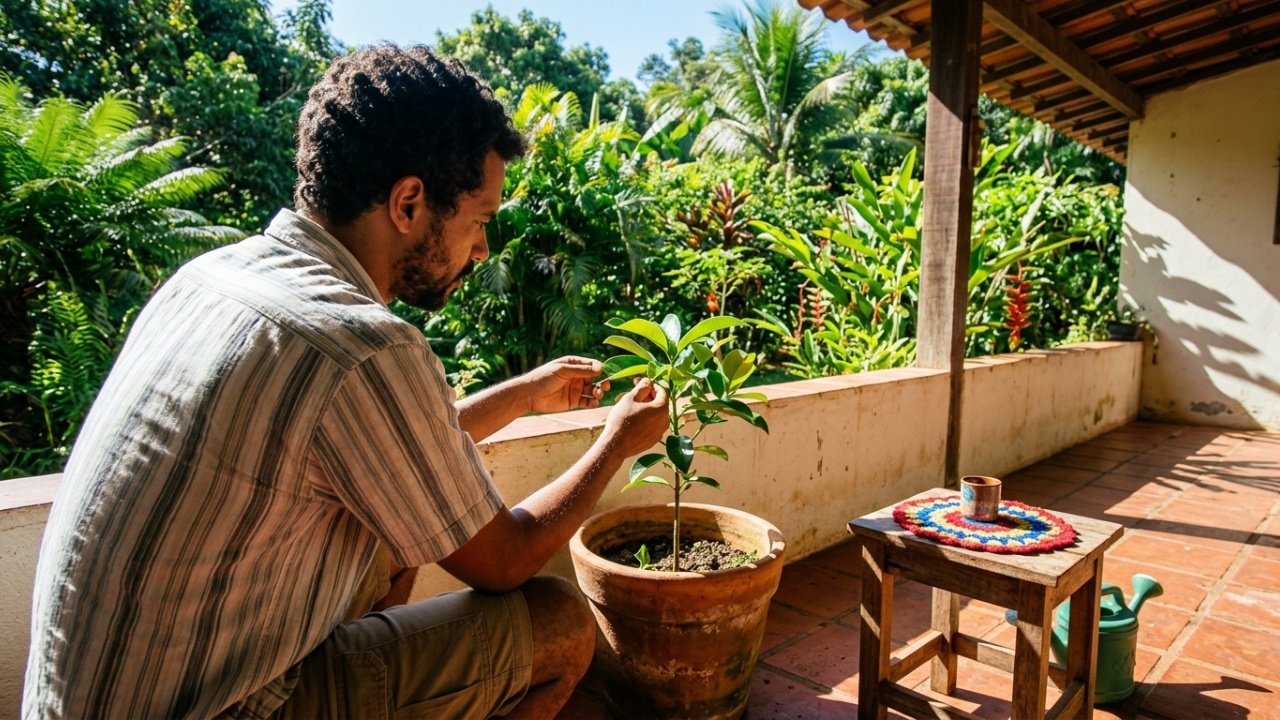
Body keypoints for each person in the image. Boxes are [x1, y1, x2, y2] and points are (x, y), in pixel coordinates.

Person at [23, 45, 668, 719]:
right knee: (561, 625)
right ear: (409, 202)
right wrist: (615, 445)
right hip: (226, 707)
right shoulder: (359, 341)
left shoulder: (213, 278)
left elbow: (402, 452)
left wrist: (527, 393)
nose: (482, 249)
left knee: (398, 540)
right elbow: (504, 559)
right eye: (478, 219)